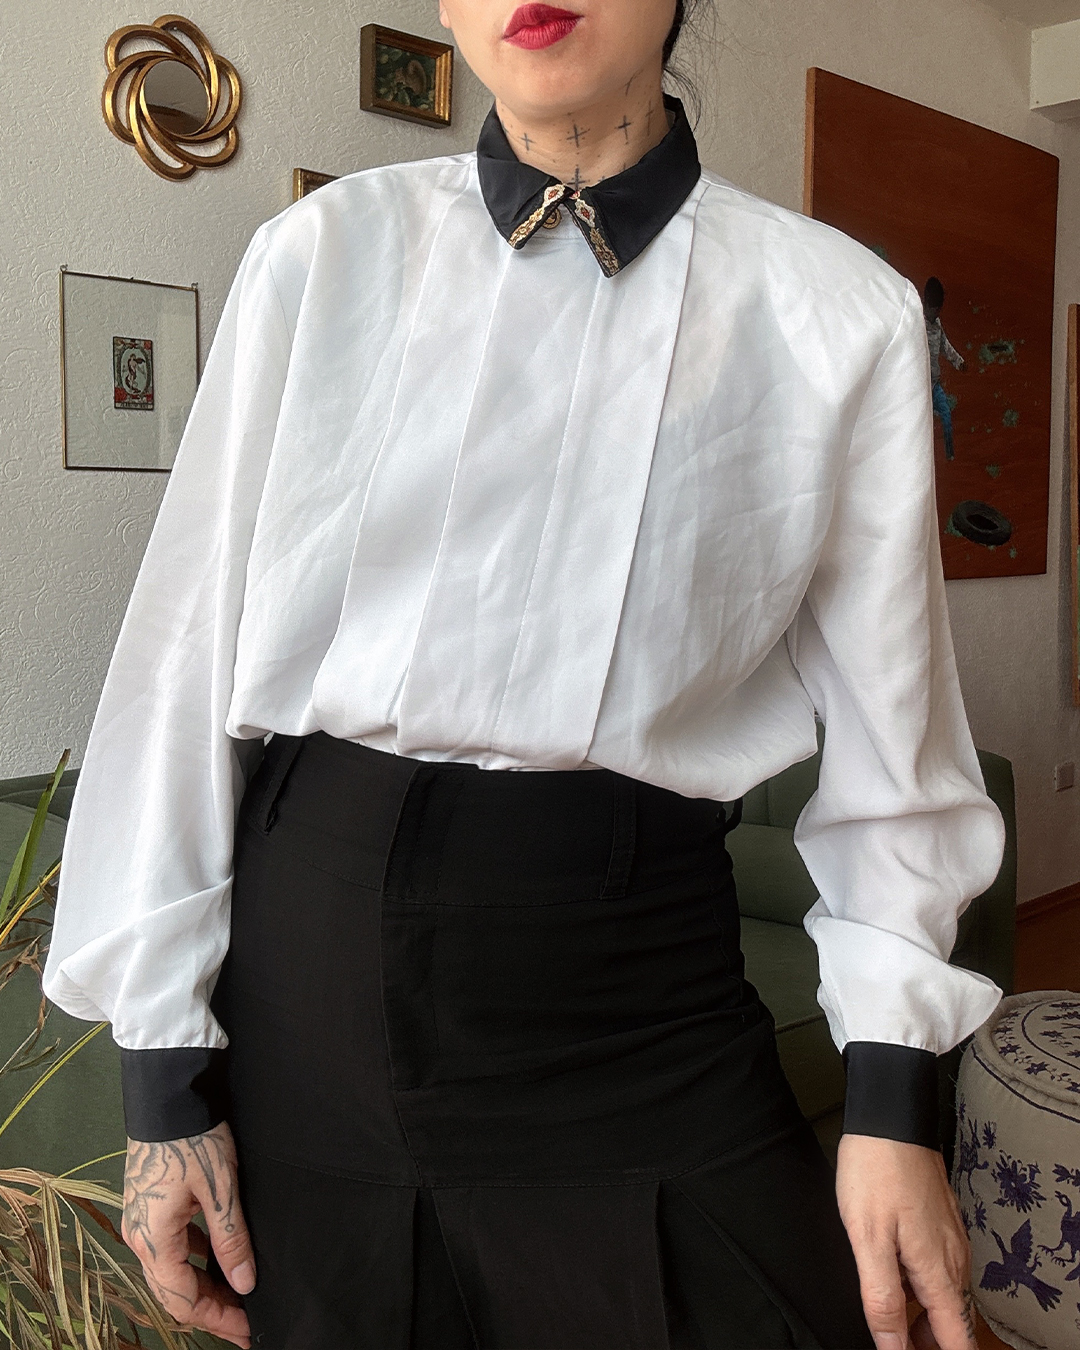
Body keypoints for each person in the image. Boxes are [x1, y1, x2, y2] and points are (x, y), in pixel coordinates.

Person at [43, 3, 1005, 1348]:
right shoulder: (323, 254)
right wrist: (162, 1080)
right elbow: (181, 661)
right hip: (317, 982)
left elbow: (899, 745)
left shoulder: (839, 317)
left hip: (638, 986)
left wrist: (893, 1110)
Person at [922, 275, 966, 461]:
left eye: (938, 310)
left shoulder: (937, 325)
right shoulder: (918, 324)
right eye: (933, 309)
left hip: (935, 383)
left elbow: (945, 346)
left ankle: (950, 455)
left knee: (946, 415)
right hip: (920, 386)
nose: (935, 313)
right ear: (926, 305)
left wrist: (958, 362)